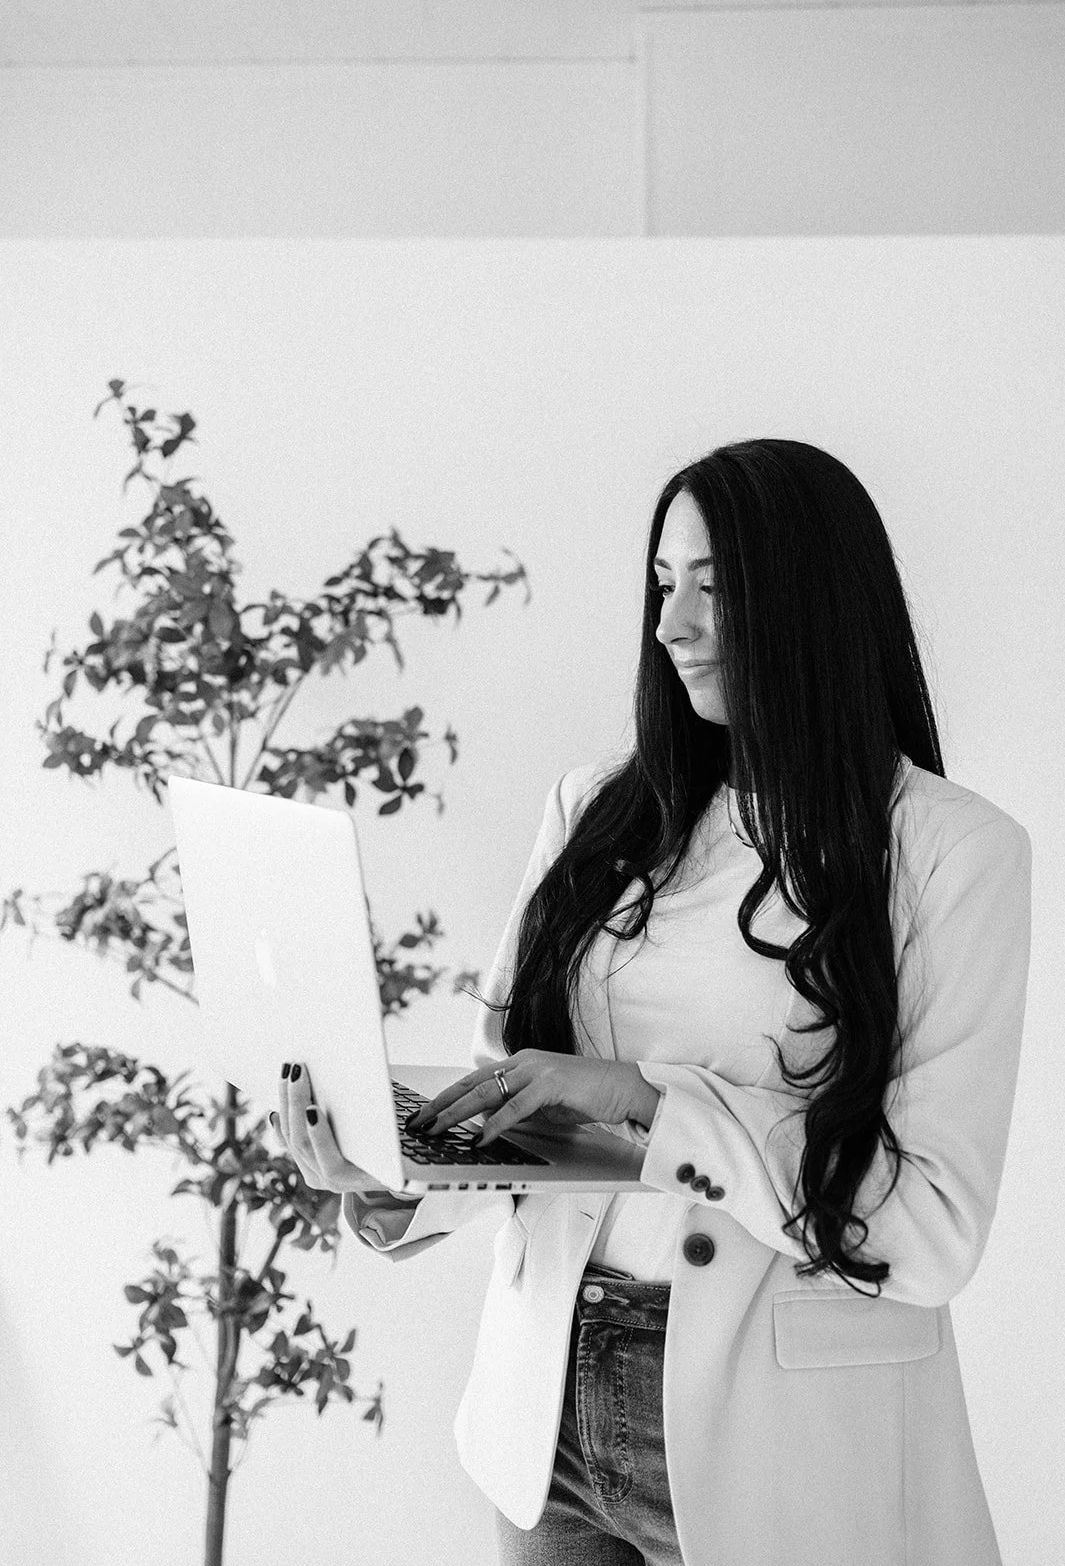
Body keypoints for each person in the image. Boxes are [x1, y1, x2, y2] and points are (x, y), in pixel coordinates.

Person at [274, 438, 1032, 1566]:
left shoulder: (948, 853)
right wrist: (395, 1168)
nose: (671, 625)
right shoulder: (597, 807)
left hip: (781, 1442)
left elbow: (931, 1228)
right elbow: (513, 1088)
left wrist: (645, 1101)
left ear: (812, 603)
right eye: (662, 585)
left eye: (714, 589)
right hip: (547, 1420)